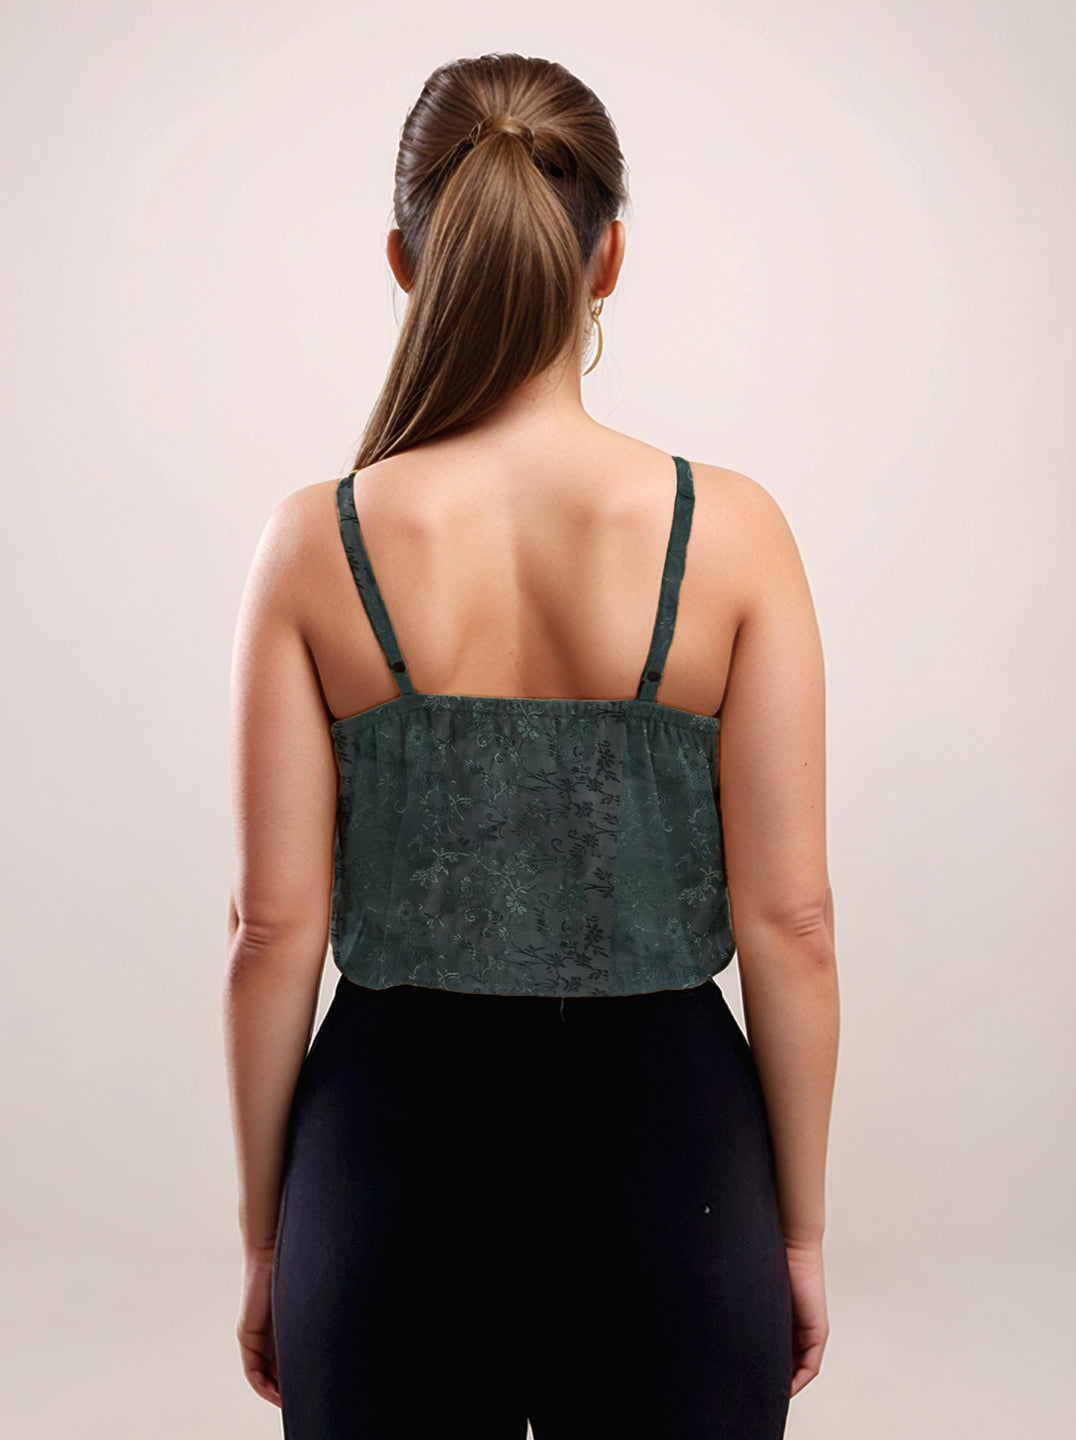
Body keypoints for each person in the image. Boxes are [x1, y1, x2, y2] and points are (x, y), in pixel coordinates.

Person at [224, 50, 839, 1440]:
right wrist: (795, 1233)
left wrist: (270, 1237)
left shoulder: (314, 544)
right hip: (677, 1168)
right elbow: (793, 925)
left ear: (405, 261)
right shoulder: (734, 534)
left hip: (385, 1167)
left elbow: (271, 932)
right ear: (609, 258)